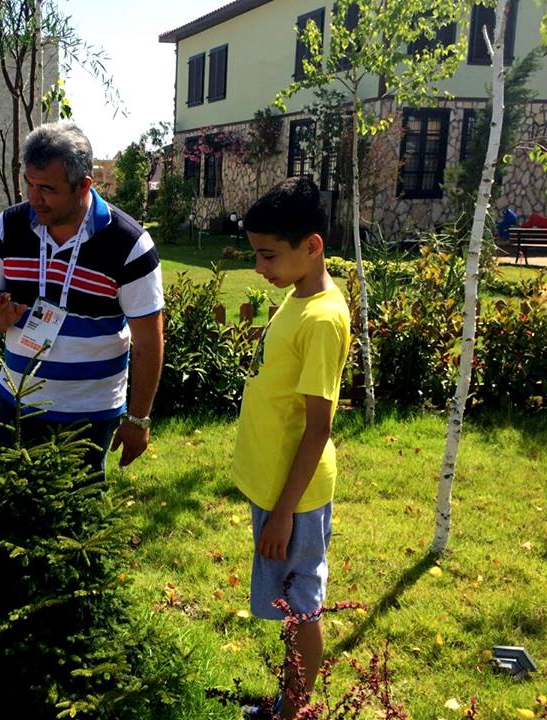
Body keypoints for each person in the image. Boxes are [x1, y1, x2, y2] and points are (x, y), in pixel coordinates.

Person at [0, 121, 164, 472]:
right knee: (4, 515)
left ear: (83, 185)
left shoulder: (129, 243)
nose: (33, 198)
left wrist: (138, 419)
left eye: (47, 188)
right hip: (15, 401)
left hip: (89, 412)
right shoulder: (9, 226)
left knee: (78, 520)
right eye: (28, 183)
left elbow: (148, 340)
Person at [232, 177, 351, 719]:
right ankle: (288, 699)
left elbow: (319, 426)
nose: (260, 268)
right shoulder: (299, 297)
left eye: (268, 255)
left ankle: (294, 713)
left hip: (294, 498)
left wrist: (283, 514)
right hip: (274, 484)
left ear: (312, 246)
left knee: (301, 609)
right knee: (287, 605)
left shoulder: (323, 318)